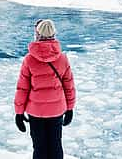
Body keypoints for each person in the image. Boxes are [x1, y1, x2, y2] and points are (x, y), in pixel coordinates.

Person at [14, 19, 76, 159]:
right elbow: (69, 86)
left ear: (37, 34)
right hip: (57, 110)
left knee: (39, 148)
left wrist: (19, 113)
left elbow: (22, 88)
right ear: (54, 34)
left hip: (35, 112)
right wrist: (70, 108)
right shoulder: (62, 58)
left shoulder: (29, 59)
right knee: (55, 146)